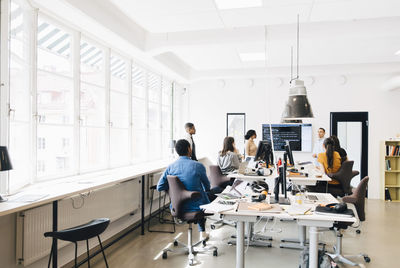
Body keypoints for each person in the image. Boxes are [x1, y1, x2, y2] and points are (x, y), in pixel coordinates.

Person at [157, 139, 210, 240]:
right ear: (189, 149)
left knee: (199, 196)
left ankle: (202, 232)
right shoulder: (198, 166)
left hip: (177, 207)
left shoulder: (170, 167)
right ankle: (202, 232)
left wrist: (175, 194)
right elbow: (207, 187)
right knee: (203, 195)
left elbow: (160, 187)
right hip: (197, 208)